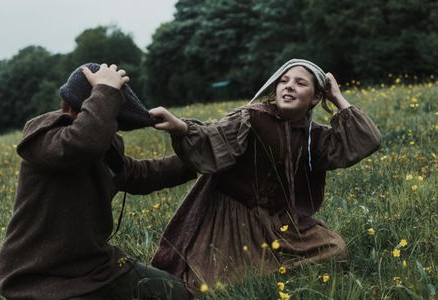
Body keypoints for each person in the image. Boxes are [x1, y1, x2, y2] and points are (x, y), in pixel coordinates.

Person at [149, 59, 382, 296]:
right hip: (232, 221)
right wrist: (179, 127)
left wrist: (337, 98)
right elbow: (213, 136)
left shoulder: (314, 136)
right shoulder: (250, 118)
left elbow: (367, 140)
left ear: (315, 98)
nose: (289, 86)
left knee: (336, 249)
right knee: (212, 286)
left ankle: (269, 269)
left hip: (279, 224)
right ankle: (260, 272)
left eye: (300, 83)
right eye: (284, 81)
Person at [0, 63, 195, 300]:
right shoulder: (46, 137)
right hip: (38, 279)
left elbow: (145, 174)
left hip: (96, 269)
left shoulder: (105, 150)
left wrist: (189, 139)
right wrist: (105, 89)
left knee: (177, 293)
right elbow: (81, 145)